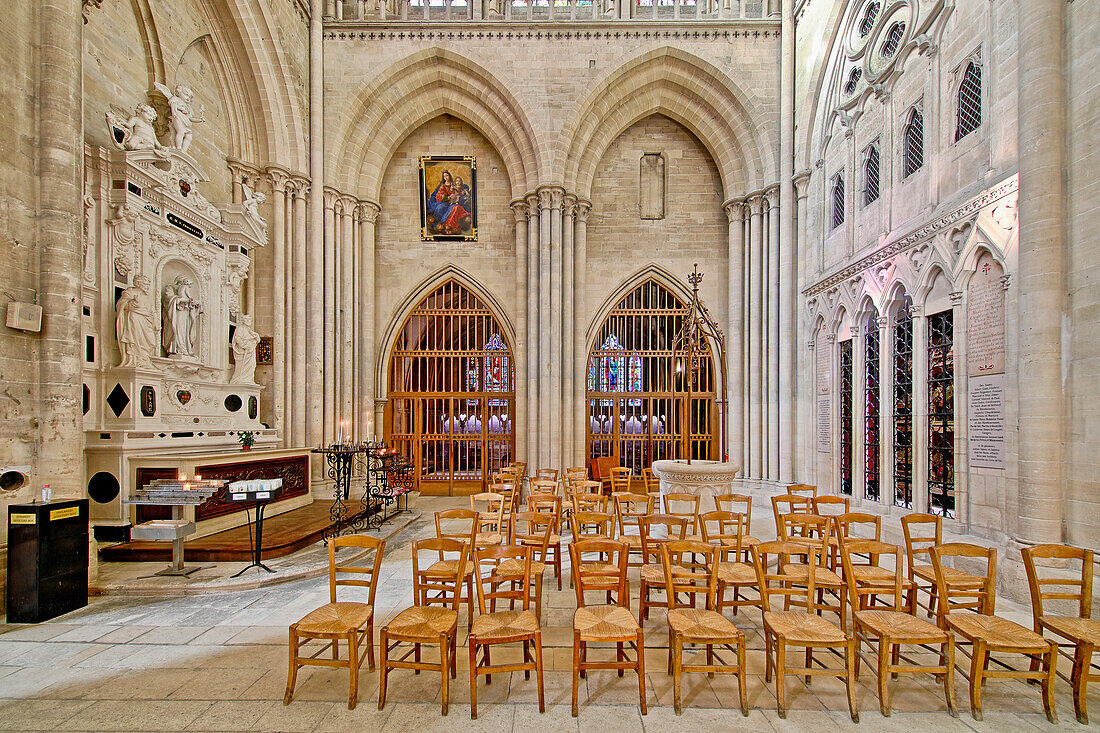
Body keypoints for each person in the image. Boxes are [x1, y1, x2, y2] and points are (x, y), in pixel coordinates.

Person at [115, 276, 158, 369]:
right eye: (145, 284)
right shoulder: (130, 292)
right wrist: (133, 303)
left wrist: (156, 322)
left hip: (147, 322)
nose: (147, 286)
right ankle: (135, 360)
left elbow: (152, 311)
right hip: (135, 320)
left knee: (148, 340)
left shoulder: (148, 297)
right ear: (138, 283)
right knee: (135, 339)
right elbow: (122, 305)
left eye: (148, 285)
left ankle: (145, 360)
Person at [162, 276, 203, 357]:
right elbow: (168, 299)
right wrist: (179, 300)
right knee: (178, 330)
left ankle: (186, 349)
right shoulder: (170, 288)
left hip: (185, 315)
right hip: (176, 315)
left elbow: (189, 300)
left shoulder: (184, 290)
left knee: (185, 331)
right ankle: (178, 348)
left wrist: (195, 304)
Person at [426, 170, 471, 235]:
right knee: (440, 208)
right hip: (446, 202)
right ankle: (441, 224)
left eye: (447, 175)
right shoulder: (442, 186)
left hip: (454, 201)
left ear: (449, 176)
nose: (446, 177)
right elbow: (439, 195)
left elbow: (462, 187)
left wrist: (462, 192)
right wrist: (447, 197)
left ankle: (447, 224)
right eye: (444, 176)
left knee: (455, 207)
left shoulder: (454, 184)